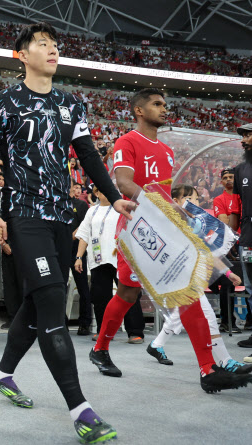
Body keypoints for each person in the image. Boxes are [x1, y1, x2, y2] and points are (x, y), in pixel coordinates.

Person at [0, 23, 134, 444]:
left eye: (55, 44)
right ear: (22, 55)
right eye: (42, 44)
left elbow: (87, 157)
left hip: (61, 218)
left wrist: (114, 197)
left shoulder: (72, 105)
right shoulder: (3, 103)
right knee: (49, 300)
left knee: (36, 302)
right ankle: (81, 410)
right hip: (24, 216)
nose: (52, 49)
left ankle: (3, 373)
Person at [90, 88, 251, 393]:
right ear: (139, 110)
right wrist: (161, 206)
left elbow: (163, 193)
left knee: (185, 290)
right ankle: (100, 349)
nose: (165, 109)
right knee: (127, 293)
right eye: (157, 104)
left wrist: (176, 212)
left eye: (165, 104)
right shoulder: (127, 141)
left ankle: (208, 370)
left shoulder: (166, 151)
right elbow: (123, 182)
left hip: (163, 227)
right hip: (137, 231)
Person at [147, 184, 250, 373]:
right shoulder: (168, 224)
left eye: (196, 199)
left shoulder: (196, 225)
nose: (195, 202)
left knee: (184, 316)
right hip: (180, 282)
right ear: (175, 202)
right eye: (190, 198)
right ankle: (224, 362)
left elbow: (208, 253)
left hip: (194, 280)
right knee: (207, 317)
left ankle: (156, 345)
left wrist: (228, 273)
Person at [74, 186, 143, 342]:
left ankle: (135, 332)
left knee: (129, 294)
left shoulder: (122, 206)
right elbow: (84, 235)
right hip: (98, 259)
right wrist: (79, 257)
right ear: (97, 193)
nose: (106, 193)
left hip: (123, 258)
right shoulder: (91, 211)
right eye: (102, 190)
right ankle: (103, 331)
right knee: (100, 297)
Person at [229, 122, 252, 358]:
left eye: (248, 134)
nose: (243, 139)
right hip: (248, 236)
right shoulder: (240, 169)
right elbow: (235, 208)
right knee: (251, 286)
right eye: (243, 135)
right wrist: (229, 240)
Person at [212, 167, 242, 333]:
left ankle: (250, 321)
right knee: (227, 281)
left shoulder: (243, 197)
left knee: (247, 281)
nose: (229, 180)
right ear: (222, 182)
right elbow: (224, 221)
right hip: (227, 244)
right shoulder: (219, 199)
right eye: (226, 177)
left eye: (232, 177)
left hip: (245, 241)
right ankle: (226, 321)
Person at [69, 181, 95, 337]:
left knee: (83, 286)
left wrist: (73, 235)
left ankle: (85, 323)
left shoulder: (81, 205)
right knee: (56, 286)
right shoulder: (55, 204)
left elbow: (85, 226)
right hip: (59, 250)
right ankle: (59, 322)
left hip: (77, 250)